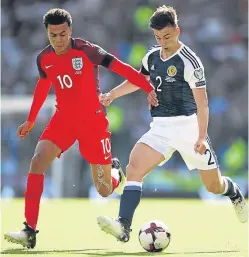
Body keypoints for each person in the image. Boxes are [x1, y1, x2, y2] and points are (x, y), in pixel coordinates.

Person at [4, 8, 158, 249]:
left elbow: (122, 68)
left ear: (70, 30)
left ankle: (115, 172)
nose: (58, 40)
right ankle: (29, 230)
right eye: (53, 35)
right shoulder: (43, 58)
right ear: (47, 33)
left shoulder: (88, 51)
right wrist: (31, 119)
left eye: (63, 34)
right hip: (63, 120)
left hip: (93, 123)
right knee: (37, 162)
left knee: (105, 189)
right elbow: (43, 86)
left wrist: (147, 88)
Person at [97, 5, 248, 243]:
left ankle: (234, 192)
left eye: (167, 36)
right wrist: (112, 95)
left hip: (189, 127)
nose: (163, 41)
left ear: (177, 30)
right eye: (158, 37)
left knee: (213, 186)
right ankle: (123, 226)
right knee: (134, 168)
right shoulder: (151, 57)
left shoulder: (191, 62)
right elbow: (138, 80)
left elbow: (203, 103)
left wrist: (200, 137)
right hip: (161, 128)